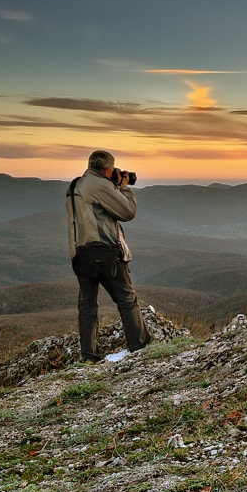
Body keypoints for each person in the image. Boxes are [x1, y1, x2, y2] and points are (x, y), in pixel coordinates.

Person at [66, 150, 150, 362]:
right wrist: (123, 188)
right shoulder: (100, 185)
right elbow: (127, 212)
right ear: (106, 169)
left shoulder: (75, 185)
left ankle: (89, 356)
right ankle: (139, 349)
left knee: (88, 306)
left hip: (81, 254)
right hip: (106, 253)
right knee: (127, 300)